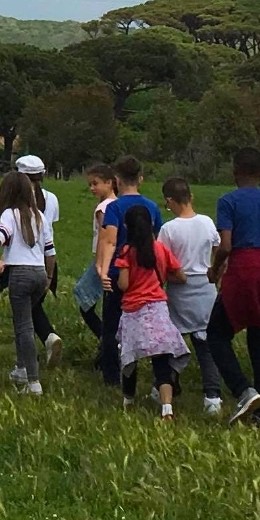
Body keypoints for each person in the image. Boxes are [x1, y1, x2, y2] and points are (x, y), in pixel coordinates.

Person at [208, 148, 260, 427]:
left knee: (217, 334)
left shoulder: (228, 201)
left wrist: (216, 268)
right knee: (259, 337)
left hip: (243, 267)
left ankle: (243, 390)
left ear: (234, 171)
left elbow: (227, 245)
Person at [159, 177, 226, 414]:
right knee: (205, 343)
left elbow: (163, 260)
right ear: (191, 197)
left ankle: (167, 380)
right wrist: (214, 270)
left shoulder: (169, 229)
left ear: (170, 201)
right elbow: (219, 248)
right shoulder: (207, 222)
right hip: (206, 286)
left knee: (173, 340)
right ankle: (213, 397)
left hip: (180, 287)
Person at [114, 203, 187, 418]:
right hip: (157, 309)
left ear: (127, 226)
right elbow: (181, 276)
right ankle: (167, 408)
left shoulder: (126, 252)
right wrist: (161, 279)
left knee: (130, 358)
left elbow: (124, 285)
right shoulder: (160, 249)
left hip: (133, 311)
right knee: (161, 359)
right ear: (151, 224)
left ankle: (128, 399)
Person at [94, 157, 161, 388]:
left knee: (112, 325)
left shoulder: (115, 207)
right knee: (147, 325)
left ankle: (112, 376)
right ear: (140, 179)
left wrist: (103, 270)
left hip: (117, 271)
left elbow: (110, 240)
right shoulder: (152, 207)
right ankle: (156, 374)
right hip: (143, 272)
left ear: (116, 180)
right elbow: (155, 241)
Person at [0, 168, 53, 396]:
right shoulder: (40, 216)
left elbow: (0, 238)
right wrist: (49, 277)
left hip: (20, 274)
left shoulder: (9, 214)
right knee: (24, 321)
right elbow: (50, 250)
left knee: (24, 327)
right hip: (39, 273)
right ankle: (20, 367)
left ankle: (33, 380)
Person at [15, 153, 65, 363]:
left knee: (25, 311)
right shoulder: (51, 198)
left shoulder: (17, 201)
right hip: (47, 258)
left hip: (25, 261)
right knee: (33, 306)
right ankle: (47, 339)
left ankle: (38, 345)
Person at [72, 163, 116, 344]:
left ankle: (105, 340)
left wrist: (99, 264)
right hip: (114, 259)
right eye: (90, 184)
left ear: (109, 183)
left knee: (84, 298)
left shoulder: (103, 208)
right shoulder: (117, 204)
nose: (92, 188)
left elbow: (103, 237)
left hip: (104, 260)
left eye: (95, 183)